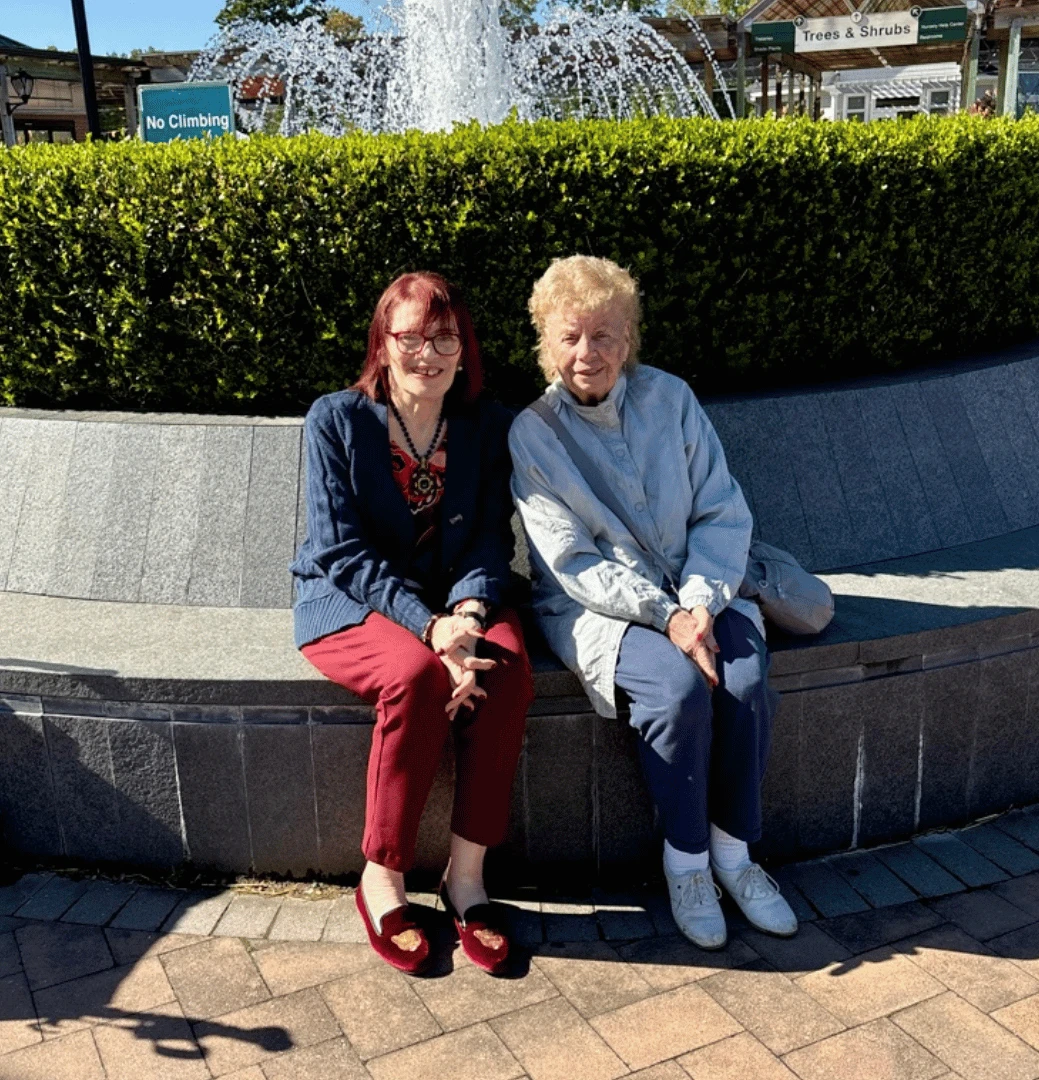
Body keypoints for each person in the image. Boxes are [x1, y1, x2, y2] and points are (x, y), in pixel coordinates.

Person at [509, 255, 796, 949]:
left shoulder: (672, 400)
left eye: (604, 335)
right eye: (571, 337)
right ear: (547, 344)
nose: (588, 353)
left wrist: (697, 603)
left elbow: (722, 511)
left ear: (628, 339)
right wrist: (666, 616)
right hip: (599, 609)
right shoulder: (533, 434)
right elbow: (571, 560)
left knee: (747, 680)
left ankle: (735, 857)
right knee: (676, 694)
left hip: (700, 585)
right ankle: (688, 863)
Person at [291, 271, 533, 975]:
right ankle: (383, 878)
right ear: (382, 342)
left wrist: (467, 614)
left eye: (444, 337)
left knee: (507, 671)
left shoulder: (490, 425)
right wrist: (431, 631)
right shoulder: (336, 419)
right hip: (352, 601)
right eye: (410, 338)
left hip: (459, 600)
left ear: (464, 348)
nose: (427, 353)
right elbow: (340, 549)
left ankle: (466, 877)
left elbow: (492, 536)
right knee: (414, 677)